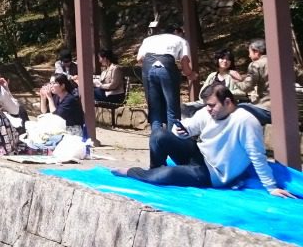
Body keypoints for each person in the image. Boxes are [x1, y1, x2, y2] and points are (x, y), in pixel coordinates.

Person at [114, 85, 295, 198]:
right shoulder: (207, 112)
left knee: (166, 176)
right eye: (207, 105)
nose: (208, 110)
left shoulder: (245, 121)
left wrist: (271, 187)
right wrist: (181, 129)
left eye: (212, 105)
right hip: (199, 156)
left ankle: (136, 172)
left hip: (214, 173)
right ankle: (153, 170)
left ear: (227, 102)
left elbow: (257, 155)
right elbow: (189, 127)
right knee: (159, 134)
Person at [136, 22, 195, 132]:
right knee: (172, 107)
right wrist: (191, 74)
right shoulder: (181, 40)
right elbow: (185, 63)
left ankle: (156, 142)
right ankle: (172, 141)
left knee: (154, 108)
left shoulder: (149, 39)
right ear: (177, 32)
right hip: (167, 67)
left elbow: (139, 58)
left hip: (148, 67)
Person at [232, 38, 271, 125]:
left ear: (256, 52)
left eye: (249, 52)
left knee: (237, 109)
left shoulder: (256, 64)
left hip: (267, 109)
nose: (249, 56)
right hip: (291, 108)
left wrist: (235, 81)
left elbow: (247, 87)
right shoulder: (281, 61)